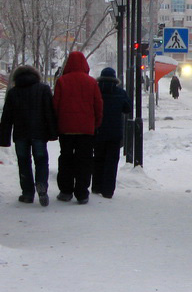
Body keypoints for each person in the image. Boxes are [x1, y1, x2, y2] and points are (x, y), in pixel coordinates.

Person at [0, 65, 59, 206]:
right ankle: (42, 185)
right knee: (41, 160)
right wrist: (52, 132)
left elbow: (6, 117)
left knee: (24, 162)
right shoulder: (44, 89)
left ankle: (27, 193)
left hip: (20, 134)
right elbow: (49, 112)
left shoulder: (13, 92)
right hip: (39, 133)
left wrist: (4, 138)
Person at [53, 51, 103, 204]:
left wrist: (57, 123)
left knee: (66, 158)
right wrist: (96, 123)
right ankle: (82, 193)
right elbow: (98, 105)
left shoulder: (62, 81)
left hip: (66, 128)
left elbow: (55, 104)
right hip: (86, 129)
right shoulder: (91, 82)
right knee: (85, 160)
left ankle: (66, 190)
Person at [93, 67, 130, 199]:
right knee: (112, 161)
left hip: (98, 130)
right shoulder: (120, 92)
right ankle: (108, 190)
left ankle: (96, 186)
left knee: (98, 158)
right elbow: (128, 108)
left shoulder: (95, 91)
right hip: (115, 131)